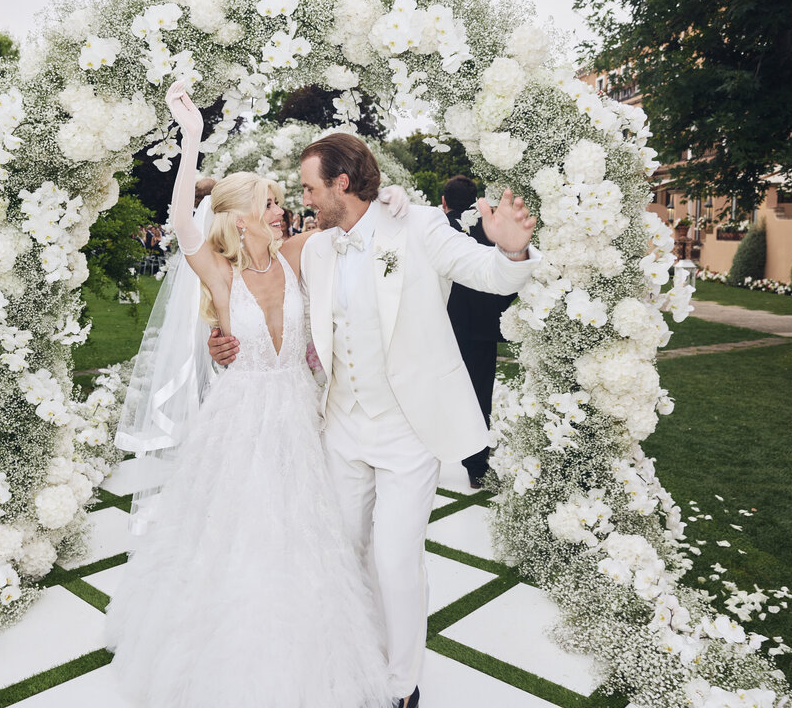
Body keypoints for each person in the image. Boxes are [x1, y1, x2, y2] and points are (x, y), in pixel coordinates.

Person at [210, 133, 539, 707]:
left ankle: (401, 681)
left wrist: (511, 252)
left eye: (311, 187)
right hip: (340, 426)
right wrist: (224, 341)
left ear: (342, 182)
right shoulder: (314, 249)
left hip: (407, 429)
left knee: (394, 558)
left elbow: (484, 272)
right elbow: (261, 295)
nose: (303, 199)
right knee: (342, 550)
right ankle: (353, 654)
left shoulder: (415, 227)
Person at [104, 82, 395, 708]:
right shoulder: (217, 269)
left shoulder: (295, 255)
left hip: (297, 414)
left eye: (282, 201)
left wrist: (387, 198)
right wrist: (190, 142)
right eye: (270, 202)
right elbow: (182, 219)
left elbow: (354, 230)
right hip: (239, 419)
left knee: (307, 533)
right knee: (234, 534)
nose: (282, 210)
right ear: (240, 216)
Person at [441, 175, 516, 488]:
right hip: (483, 326)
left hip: (444, 324)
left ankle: (425, 457)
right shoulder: (492, 226)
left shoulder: (439, 229)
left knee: (436, 389)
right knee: (479, 394)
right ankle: (476, 466)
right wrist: (499, 308)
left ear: (445, 203)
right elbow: (511, 268)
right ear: (474, 200)